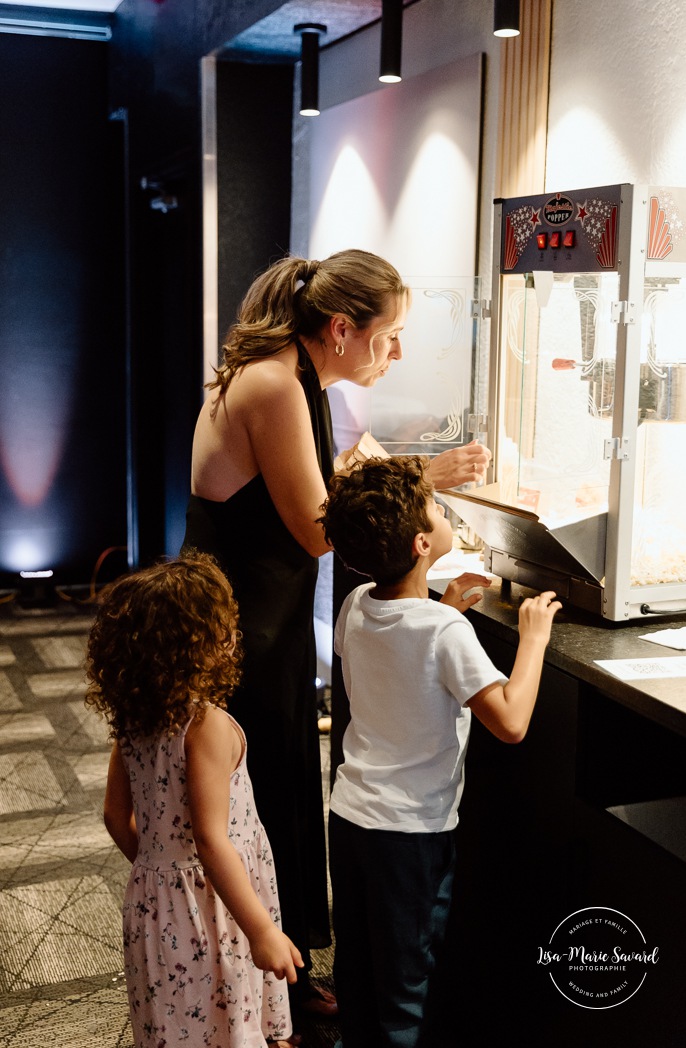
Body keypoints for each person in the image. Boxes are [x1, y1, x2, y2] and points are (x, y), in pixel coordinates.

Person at [180, 249, 492, 1017]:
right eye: (389, 339)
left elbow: (314, 491)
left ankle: (276, 976)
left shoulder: (294, 373)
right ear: (342, 329)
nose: (396, 354)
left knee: (277, 784)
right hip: (239, 623)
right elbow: (321, 529)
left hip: (262, 612)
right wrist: (423, 479)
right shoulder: (276, 384)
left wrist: (387, 471)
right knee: (251, 794)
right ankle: (260, 983)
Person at [317, 455, 562, 1048]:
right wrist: (532, 641)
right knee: (406, 985)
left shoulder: (355, 606)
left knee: (360, 967)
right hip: (411, 836)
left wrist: (442, 610)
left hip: (350, 820)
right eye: (435, 506)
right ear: (424, 542)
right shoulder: (445, 633)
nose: (443, 510)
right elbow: (509, 721)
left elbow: (396, 663)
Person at [85, 553, 303, 1048]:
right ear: (204, 643)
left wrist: (159, 870)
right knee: (224, 1022)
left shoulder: (135, 717)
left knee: (178, 1023)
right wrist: (260, 930)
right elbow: (210, 837)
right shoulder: (206, 726)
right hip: (215, 905)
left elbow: (115, 816)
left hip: (156, 903)